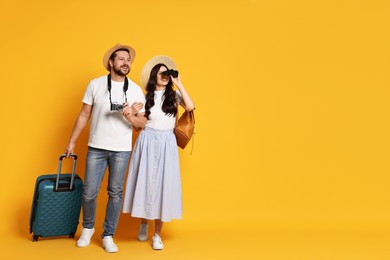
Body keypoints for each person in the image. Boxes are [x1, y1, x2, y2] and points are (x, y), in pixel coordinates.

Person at [65, 43, 147, 253]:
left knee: (115, 193)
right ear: (111, 63)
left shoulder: (136, 90)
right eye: (121, 59)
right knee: (89, 192)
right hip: (96, 147)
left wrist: (130, 115)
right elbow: (84, 114)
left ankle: (108, 234)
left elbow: (142, 124)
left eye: (128, 60)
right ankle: (88, 228)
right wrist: (72, 141)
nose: (125, 63)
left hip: (121, 149)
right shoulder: (96, 84)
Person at [122, 55, 195, 250]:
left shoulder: (174, 97)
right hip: (147, 141)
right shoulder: (145, 97)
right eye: (161, 72)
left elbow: (190, 107)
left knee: (163, 186)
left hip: (167, 143)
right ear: (154, 75)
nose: (164, 75)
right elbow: (138, 124)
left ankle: (157, 235)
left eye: (167, 73)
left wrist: (179, 84)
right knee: (146, 182)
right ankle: (144, 222)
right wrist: (132, 113)